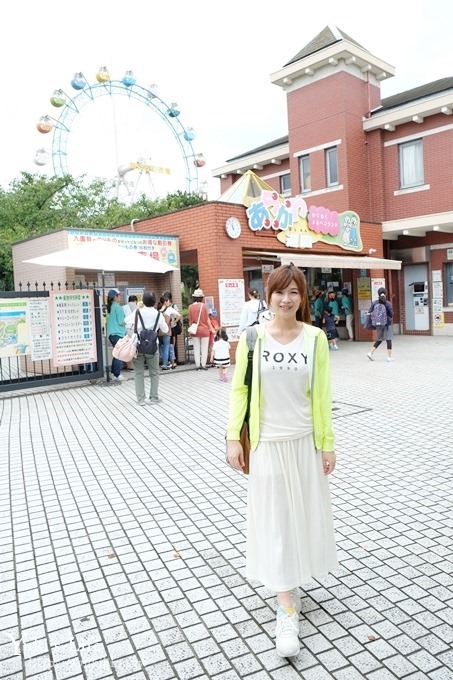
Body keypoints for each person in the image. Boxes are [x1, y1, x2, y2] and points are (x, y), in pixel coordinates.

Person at [226, 264, 337, 659]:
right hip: (267, 443)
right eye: (279, 292)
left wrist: (327, 443)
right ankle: (286, 605)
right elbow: (239, 391)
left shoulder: (316, 338)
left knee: (300, 517)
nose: (286, 299)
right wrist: (231, 439)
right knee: (275, 519)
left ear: (302, 297)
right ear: (267, 295)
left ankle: (290, 582)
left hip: (305, 441)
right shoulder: (252, 338)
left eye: (294, 292)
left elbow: (322, 395)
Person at [125, 292, 169, 405]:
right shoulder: (158, 314)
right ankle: (154, 397)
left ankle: (141, 399)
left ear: (143, 301)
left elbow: (126, 321)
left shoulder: (137, 312)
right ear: (154, 302)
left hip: (138, 346)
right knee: (154, 373)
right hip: (153, 347)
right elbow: (165, 329)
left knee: (139, 373)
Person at [188, 288, 214, 370]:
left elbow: (190, 320)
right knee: (204, 348)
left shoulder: (190, 307)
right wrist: (212, 328)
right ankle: (203, 365)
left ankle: (197, 365)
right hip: (204, 330)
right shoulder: (204, 306)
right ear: (201, 298)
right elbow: (207, 319)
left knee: (196, 348)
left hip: (195, 330)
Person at [367, 288, 394, 362]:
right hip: (387, 324)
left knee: (380, 339)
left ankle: (370, 353)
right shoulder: (388, 303)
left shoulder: (374, 303)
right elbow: (391, 314)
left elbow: (369, 312)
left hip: (378, 324)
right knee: (388, 339)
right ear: (386, 293)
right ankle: (389, 357)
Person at [106, 289, 126, 382]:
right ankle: (117, 374)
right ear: (115, 297)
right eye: (119, 295)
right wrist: (128, 320)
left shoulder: (110, 307)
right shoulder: (118, 307)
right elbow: (121, 322)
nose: (120, 297)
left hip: (111, 334)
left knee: (116, 353)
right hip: (118, 334)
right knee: (119, 354)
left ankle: (114, 373)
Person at [162, 292, 182, 369]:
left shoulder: (173, 306)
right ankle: (172, 361)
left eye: (166, 299)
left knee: (172, 345)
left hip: (173, 328)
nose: (165, 301)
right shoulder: (165, 307)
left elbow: (178, 315)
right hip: (169, 327)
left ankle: (174, 361)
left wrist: (174, 321)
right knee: (169, 345)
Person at [122, 295, 138, 369]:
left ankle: (129, 365)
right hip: (135, 329)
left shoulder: (123, 307)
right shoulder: (137, 307)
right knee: (135, 347)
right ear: (135, 301)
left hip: (126, 329)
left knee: (127, 347)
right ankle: (136, 365)